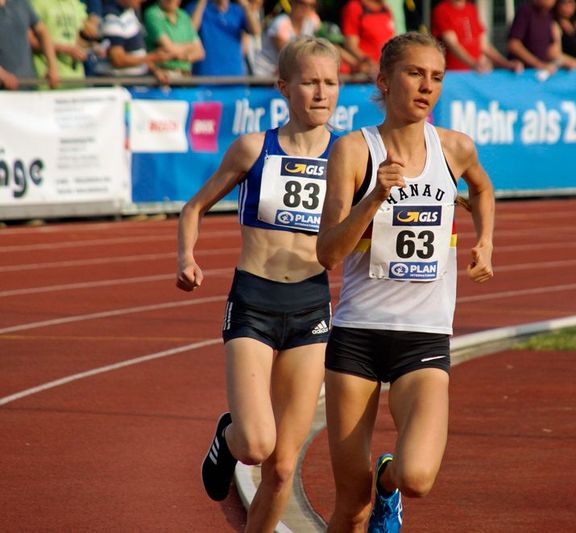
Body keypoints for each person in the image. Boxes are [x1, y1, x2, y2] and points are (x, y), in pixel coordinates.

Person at [316, 31, 495, 533]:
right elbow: (327, 252)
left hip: (424, 336)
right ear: (384, 80)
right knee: (351, 505)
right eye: (415, 73)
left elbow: (483, 189)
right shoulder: (353, 151)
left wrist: (486, 241)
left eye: (436, 77)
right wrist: (373, 199)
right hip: (357, 334)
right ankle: (371, 493)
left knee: (417, 477)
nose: (427, 86)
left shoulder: (454, 148)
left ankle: (388, 482)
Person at [177, 37, 340, 532]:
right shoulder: (254, 148)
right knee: (254, 444)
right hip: (254, 300)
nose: (321, 92)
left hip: (311, 305)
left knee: (283, 467)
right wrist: (186, 255)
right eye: (309, 82)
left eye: (330, 82)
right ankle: (228, 435)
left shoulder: (349, 155)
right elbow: (193, 207)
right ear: (283, 87)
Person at [431, 0, 523, 73]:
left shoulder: (471, 9)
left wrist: (506, 64)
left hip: (475, 74)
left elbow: (484, 46)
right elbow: (453, 45)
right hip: (454, 75)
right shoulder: (442, 10)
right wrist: (474, 64)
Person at [94, 0, 172, 83]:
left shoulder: (130, 13)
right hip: (118, 85)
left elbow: (139, 54)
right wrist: (154, 57)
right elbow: (118, 60)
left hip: (136, 82)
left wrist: (155, 70)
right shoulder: (111, 17)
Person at [187, 0, 261, 76]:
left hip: (234, 78)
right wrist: (202, 2)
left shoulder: (237, 10)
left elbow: (256, 31)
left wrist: (244, 4)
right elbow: (190, 31)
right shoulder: (196, 7)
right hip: (205, 78)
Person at [0, 0, 60, 89]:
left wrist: (52, 66)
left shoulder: (21, 2)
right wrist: (2, 74)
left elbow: (42, 31)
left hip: (28, 86)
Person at [253, 0, 320, 78]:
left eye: (312, 5)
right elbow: (289, 55)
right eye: (302, 3)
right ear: (293, 2)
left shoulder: (312, 22)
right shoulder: (280, 23)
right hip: (264, 75)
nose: (306, 8)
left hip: (285, 74)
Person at [29, 0, 91, 82]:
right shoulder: (36, 3)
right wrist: (65, 49)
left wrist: (91, 47)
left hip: (76, 79)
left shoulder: (75, 3)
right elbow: (29, 41)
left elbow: (77, 38)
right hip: (47, 78)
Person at [143, 0, 205, 79]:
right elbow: (169, 48)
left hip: (185, 76)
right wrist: (190, 47)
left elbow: (200, 52)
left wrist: (184, 57)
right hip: (163, 77)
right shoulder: (152, 13)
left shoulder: (184, 16)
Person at [341, 0, 396, 77]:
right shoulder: (354, 7)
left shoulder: (385, 8)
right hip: (366, 74)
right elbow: (350, 45)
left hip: (385, 70)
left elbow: (393, 40)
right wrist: (370, 63)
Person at [506, 0, 562, 74]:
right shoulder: (526, 11)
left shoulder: (549, 15)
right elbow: (513, 44)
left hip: (542, 74)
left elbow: (553, 52)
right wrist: (538, 64)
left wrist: (557, 39)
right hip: (523, 73)